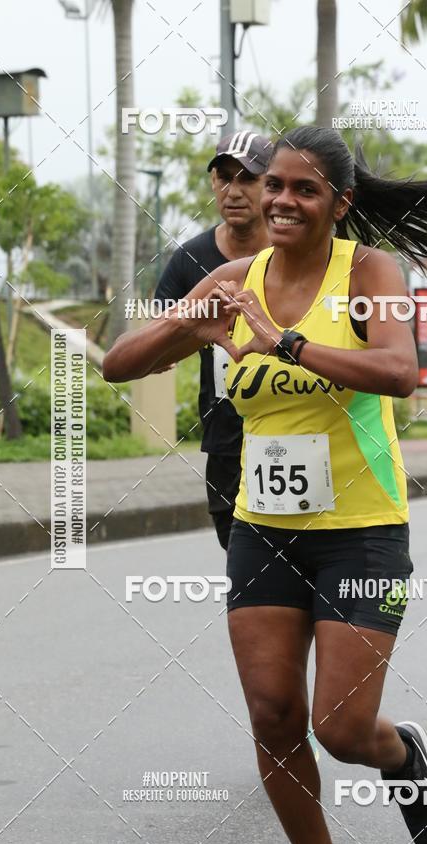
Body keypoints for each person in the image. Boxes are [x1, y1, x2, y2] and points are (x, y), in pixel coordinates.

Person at [104, 125, 427, 844]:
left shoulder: (370, 269)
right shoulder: (232, 278)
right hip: (263, 531)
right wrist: (189, 325)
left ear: (339, 204)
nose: (280, 199)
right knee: (275, 714)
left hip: (363, 531)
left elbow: (400, 371)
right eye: (274, 183)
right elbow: (117, 366)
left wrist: (284, 343)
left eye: (303, 189)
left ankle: (402, 755)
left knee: (341, 729)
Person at [154, 131, 273, 548]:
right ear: (212, 184)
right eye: (224, 178)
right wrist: (169, 345)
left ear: (270, 185)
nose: (233, 191)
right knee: (245, 573)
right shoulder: (190, 258)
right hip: (225, 438)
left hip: (296, 430)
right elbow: (160, 331)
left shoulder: (297, 252)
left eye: (248, 179)